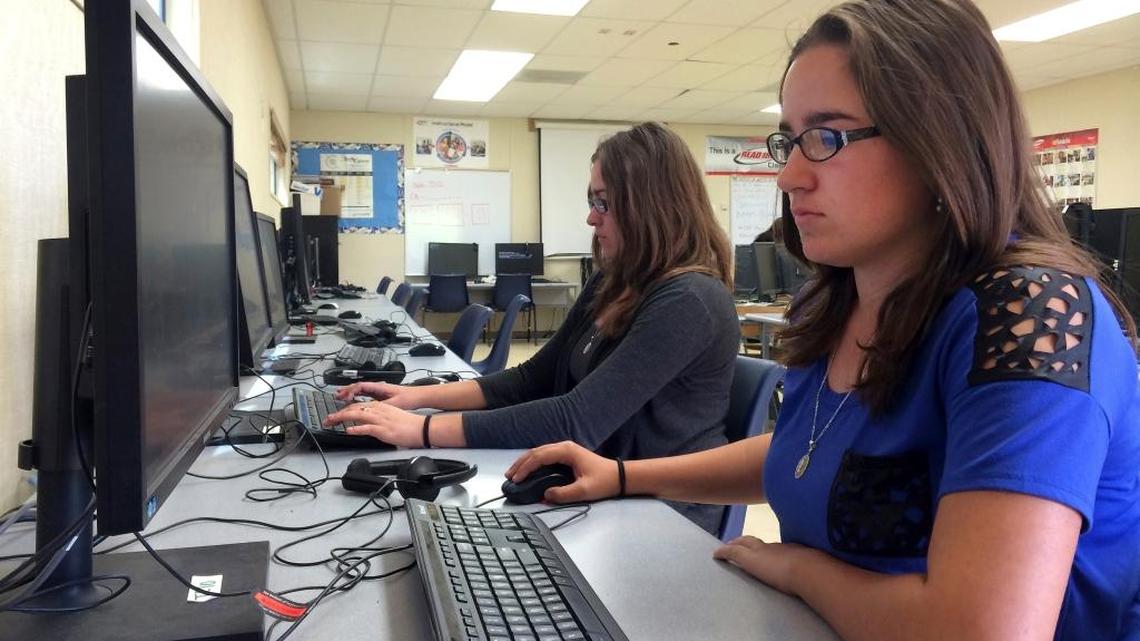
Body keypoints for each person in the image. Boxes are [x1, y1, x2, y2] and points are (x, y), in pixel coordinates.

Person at [505, 2, 1140, 640]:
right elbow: (807, 450)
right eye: (789, 139)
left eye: (827, 137)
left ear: (938, 141)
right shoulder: (838, 299)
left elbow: (980, 630)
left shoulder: (1029, 318)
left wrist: (800, 570)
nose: (788, 175)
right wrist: (620, 476)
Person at [328, 122, 741, 533]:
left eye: (604, 204)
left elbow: (575, 420)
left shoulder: (689, 299)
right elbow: (532, 378)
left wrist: (422, 431)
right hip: (599, 493)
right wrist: (414, 399)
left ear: (653, 207)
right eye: (592, 202)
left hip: (664, 518)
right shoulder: (612, 282)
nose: (590, 218)